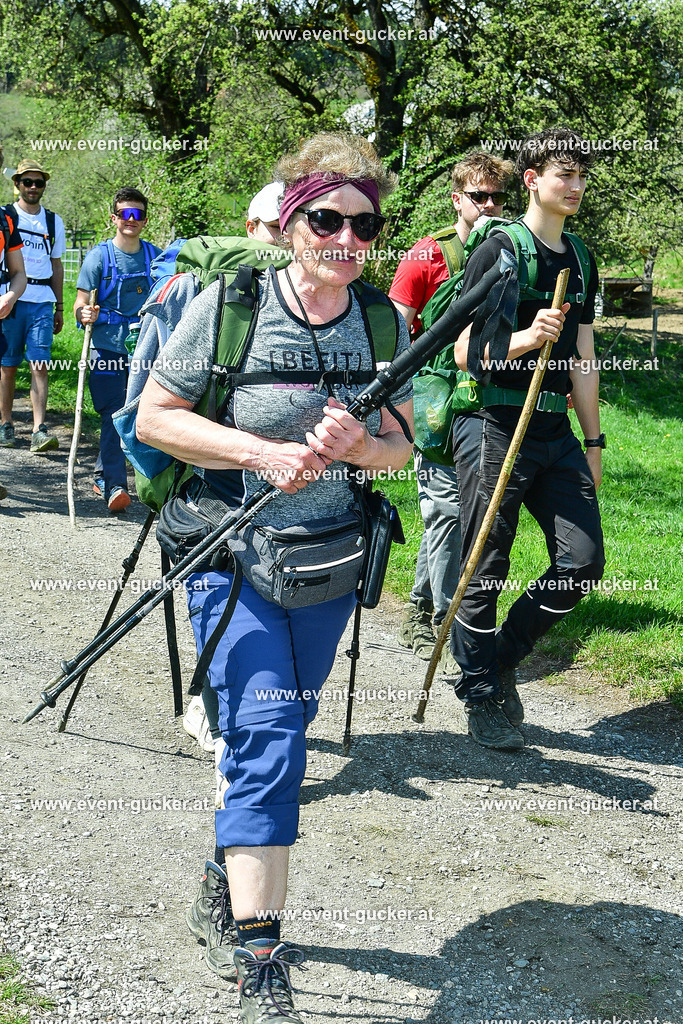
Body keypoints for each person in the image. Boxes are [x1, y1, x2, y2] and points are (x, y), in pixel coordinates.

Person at [136, 132, 413, 1023]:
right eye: (326, 219)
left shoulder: (384, 323)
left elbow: (402, 449)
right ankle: (263, 963)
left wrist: (360, 445)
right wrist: (260, 452)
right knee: (268, 742)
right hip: (232, 555)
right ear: (292, 223)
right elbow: (155, 418)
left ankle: (220, 884)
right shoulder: (231, 306)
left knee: (280, 735)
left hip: (327, 564)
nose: (345, 238)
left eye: (363, 225)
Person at [450, 127, 605, 751]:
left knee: (583, 561)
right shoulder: (499, 250)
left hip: (553, 430)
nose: (575, 186)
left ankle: (502, 656)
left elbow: (584, 357)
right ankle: (480, 693)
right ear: (532, 180)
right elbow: (465, 351)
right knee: (484, 562)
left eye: (581, 176)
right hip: (493, 423)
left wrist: (593, 442)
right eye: (564, 174)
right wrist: (525, 338)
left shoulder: (582, 259)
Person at [389, 152, 513, 668]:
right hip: (435, 395)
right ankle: (447, 623)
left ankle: (420, 608)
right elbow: (396, 327)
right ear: (457, 198)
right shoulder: (428, 254)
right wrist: (396, 403)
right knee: (445, 508)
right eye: (479, 196)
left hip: (484, 394)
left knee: (458, 509)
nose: (489, 205)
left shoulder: (512, 248)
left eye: (497, 197)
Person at [75, 187, 161, 511]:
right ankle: (115, 485)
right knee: (113, 412)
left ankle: (120, 478)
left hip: (145, 350)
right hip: (106, 348)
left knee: (143, 412)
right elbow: (80, 303)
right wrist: (83, 313)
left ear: (145, 220)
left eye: (138, 214)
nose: (131, 219)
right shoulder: (98, 257)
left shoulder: (156, 257)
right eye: (125, 213)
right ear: (114, 218)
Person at [0, 159, 64, 453]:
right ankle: (6, 424)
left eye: (39, 182)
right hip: (10, 299)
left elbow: (56, 264)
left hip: (42, 301)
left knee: (40, 364)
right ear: (17, 184)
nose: (33, 187)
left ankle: (39, 429)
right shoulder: (7, 217)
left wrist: (60, 306)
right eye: (27, 182)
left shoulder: (53, 221)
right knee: (7, 366)